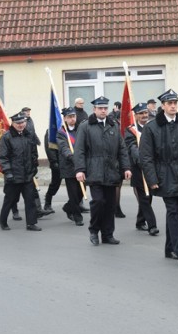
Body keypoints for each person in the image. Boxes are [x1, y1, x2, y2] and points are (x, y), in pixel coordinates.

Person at [140, 90, 178, 263]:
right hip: (164, 175)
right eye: (169, 103)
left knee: (175, 212)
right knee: (173, 211)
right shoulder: (151, 127)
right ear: (163, 106)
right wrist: (151, 179)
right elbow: (146, 156)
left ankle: (169, 249)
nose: (173, 106)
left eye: (175, 102)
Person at [74, 96, 131, 246]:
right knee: (98, 202)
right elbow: (79, 150)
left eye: (105, 108)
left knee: (110, 205)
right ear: (94, 110)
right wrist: (80, 169)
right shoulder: (85, 126)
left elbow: (122, 149)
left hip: (112, 171)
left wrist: (126, 167)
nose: (103, 110)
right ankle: (94, 230)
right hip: (94, 171)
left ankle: (108, 234)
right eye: (100, 108)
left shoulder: (114, 125)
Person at [0, 112, 41, 231]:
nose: (21, 125)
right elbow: (3, 157)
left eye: (23, 122)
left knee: (30, 200)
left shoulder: (29, 135)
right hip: (13, 175)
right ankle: (3, 221)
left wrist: (34, 167)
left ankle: (31, 223)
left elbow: (34, 153)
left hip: (27, 175)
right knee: (10, 200)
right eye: (18, 123)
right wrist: (8, 172)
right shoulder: (7, 137)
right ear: (13, 123)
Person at [125, 102, 159, 235]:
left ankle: (140, 221)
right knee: (144, 197)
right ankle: (152, 225)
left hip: (151, 167)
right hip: (138, 168)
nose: (144, 115)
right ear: (135, 115)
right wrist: (141, 161)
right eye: (141, 113)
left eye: (145, 112)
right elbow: (132, 147)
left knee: (148, 196)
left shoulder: (153, 127)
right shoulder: (130, 130)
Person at [56, 107, 85, 226]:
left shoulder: (81, 129)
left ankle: (68, 207)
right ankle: (77, 216)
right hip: (69, 167)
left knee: (81, 192)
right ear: (65, 119)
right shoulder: (61, 132)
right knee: (73, 193)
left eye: (73, 116)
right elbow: (64, 148)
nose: (72, 119)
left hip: (82, 166)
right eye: (69, 117)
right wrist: (73, 157)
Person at [43, 127, 61, 213]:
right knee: (55, 184)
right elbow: (49, 148)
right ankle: (47, 202)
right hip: (57, 162)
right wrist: (54, 162)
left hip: (69, 161)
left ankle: (77, 204)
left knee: (74, 185)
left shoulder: (68, 129)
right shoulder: (51, 131)